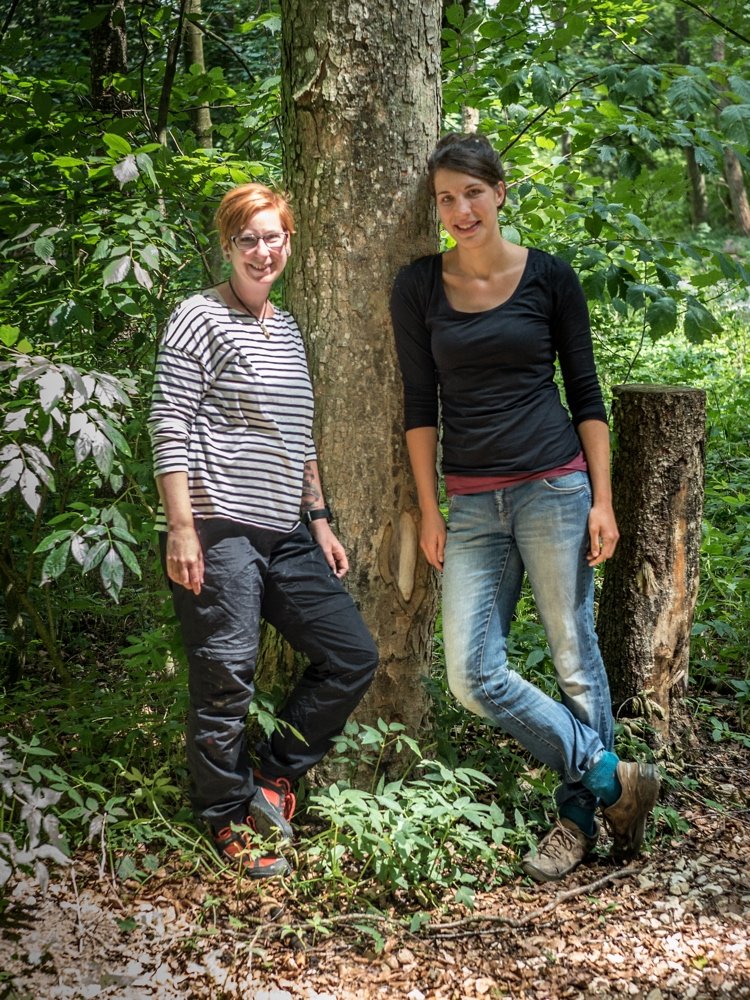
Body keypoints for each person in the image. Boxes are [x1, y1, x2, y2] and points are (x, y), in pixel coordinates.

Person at [390, 133, 660, 883]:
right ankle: (611, 779)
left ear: (500, 192)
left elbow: (587, 396)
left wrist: (603, 500)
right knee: (471, 676)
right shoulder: (418, 286)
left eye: (472, 193)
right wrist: (431, 510)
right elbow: (419, 406)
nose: (460, 210)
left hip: (555, 489)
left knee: (575, 656)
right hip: (473, 506)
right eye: (446, 198)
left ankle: (578, 822)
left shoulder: (549, 278)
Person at [148, 183, 378, 879]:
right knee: (226, 679)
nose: (261, 251)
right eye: (247, 239)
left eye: (272, 237)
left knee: (351, 656)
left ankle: (272, 778)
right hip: (218, 528)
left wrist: (319, 519)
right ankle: (225, 815)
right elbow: (169, 422)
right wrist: (181, 528)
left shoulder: (288, 328)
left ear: (288, 242)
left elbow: (298, 435)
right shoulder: (198, 315)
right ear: (227, 247)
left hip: (286, 532)